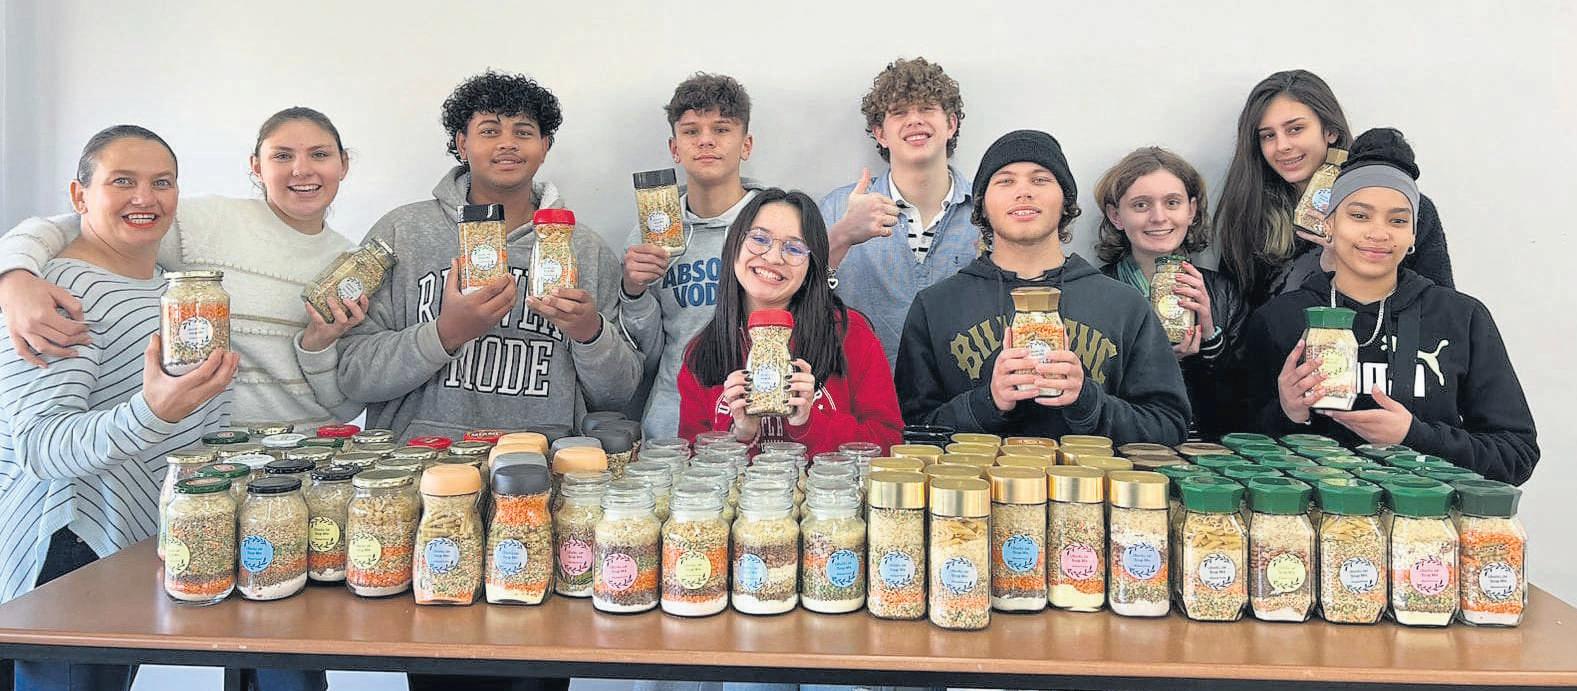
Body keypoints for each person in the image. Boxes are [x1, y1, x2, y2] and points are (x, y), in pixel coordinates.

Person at [0, 126, 237, 691]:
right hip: (68, 549)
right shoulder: (59, 293)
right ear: (80, 196)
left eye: (162, 182)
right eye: (122, 181)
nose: (145, 198)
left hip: (137, 543)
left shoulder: (174, 290)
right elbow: (41, 446)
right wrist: (152, 412)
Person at [0, 107, 367, 433]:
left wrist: (318, 347)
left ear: (343, 164)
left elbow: (345, 403)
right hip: (211, 456)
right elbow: (77, 225)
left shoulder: (353, 262)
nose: (302, 170)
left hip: (308, 453)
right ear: (256, 167)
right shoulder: (205, 223)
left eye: (319, 154)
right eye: (282, 156)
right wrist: (14, 277)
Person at [336, 70, 640, 444]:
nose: (507, 143)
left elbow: (618, 395)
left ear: (544, 146)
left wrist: (590, 334)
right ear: (462, 144)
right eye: (490, 131)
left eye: (523, 132)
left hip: (541, 461)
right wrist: (446, 334)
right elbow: (353, 374)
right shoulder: (401, 233)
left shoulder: (586, 250)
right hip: (415, 462)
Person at [1236, 129, 1538, 485]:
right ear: (1329, 224)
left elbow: (1516, 455)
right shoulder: (1279, 319)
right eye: (1359, 216)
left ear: (1413, 235)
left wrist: (1414, 435)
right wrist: (1288, 413)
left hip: (1430, 518)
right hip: (1307, 518)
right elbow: (1227, 445)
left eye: (1397, 220)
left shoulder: (1461, 319)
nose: (1378, 233)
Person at [894, 130, 1189, 445]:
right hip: (973, 477)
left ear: (1065, 202)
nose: (1023, 192)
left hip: (1091, 478)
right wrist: (986, 403)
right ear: (982, 205)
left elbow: (1169, 426)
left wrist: (1089, 402)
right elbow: (909, 432)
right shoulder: (936, 306)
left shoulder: (1124, 306)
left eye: (1040, 180)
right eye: (1005, 181)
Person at [677, 188, 902, 455]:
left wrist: (809, 422)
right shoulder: (703, 352)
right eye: (759, 239)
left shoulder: (849, 334)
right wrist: (740, 434)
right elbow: (691, 462)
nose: (773, 257)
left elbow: (889, 443)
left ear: (811, 267)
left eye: (794, 248)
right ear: (734, 246)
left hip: (828, 484)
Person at [1214, 69, 1453, 309]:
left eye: (1295, 129)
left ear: (1331, 131)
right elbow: (1236, 316)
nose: (1282, 146)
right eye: (1268, 136)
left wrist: (1352, 263)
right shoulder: (1251, 214)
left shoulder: (1403, 209)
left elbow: (1442, 311)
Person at [619, 73, 768, 439]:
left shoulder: (776, 224)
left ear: (746, 145)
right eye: (691, 131)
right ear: (674, 148)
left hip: (764, 421)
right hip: (672, 426)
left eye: (721, 129)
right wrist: (633, 291)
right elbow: (646, 354)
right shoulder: (650, 235)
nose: (705, 140)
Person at [818, 57, 978, 366]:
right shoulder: (837, 208)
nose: (915, 120)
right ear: (880, 133)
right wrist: (841, 236)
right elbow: (798, 300)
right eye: (900, 112)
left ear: (951, 124)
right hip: (862, 388)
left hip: (966, 392)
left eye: (927, 108)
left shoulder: (987, 211)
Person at [1093, 147, 1245, 437]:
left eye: (1172, 202)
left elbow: (1241, 404)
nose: (1159, 217)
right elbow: (1090, 395)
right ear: (1116, 216)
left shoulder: (1224, 293)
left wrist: (1210, 340)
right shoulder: (1095, 290)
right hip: (1122, 447)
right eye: (1141, 205)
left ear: (1191, 210)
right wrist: (1154, 362)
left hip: (1204, 451)